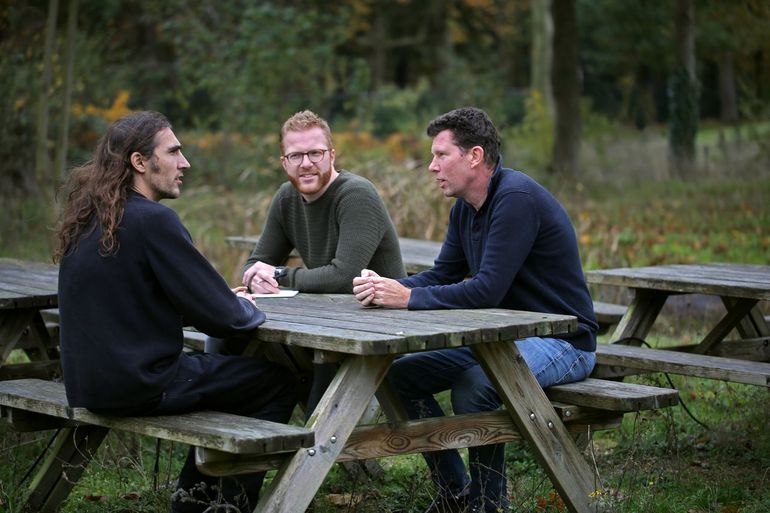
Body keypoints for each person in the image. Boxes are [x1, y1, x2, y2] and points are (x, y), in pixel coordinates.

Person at [352, 107, 598, 513]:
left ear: (475, 156)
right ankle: (455, 493)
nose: (432, 167)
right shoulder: (465, 208)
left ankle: (489, 503)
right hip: (505, 338)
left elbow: (487, 289)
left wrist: (407, 298)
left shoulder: (515, 199)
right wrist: (385, 288)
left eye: (440, 155)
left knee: (475, 385)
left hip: (565, 342)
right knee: (397, 376)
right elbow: (442, 275)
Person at [54, 111, 298, 513]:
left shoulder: (91, 218)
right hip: (139, 383)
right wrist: (242, 304)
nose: (184, 163)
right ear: (140, 162)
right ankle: (213, 505)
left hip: (87, 384)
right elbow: (227, 319)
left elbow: (133, 301)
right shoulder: (154, 220)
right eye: (173, 152)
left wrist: (218, 302)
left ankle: (195, 494)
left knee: (225, 373)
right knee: (275, 381)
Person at [211, 109, 406, 413]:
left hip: (380, 325)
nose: (306, 164)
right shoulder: (286, 197)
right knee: (226, 333)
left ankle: (309, 446)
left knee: (321, 365)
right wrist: (255, 276)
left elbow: (345, 277)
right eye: (296, 156)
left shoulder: (356, 194)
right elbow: (256, 262)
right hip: (326, 318)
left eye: (315, 153)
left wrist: (278, 274)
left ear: (331, 155)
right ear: (284, 162)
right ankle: (226, 429)